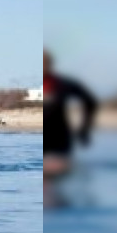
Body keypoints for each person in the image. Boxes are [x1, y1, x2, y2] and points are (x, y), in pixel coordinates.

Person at [43, 48, 97, 207]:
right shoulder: (38, 87)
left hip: (60, 141)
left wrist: (84, 128)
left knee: (56, 180)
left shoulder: (63, 85)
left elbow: (90, 101)